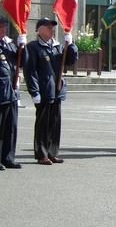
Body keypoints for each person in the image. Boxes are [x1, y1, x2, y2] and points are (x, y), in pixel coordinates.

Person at [24, 17, 78, 165]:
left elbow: (70, 61)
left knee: (55, 123)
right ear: (39, 30)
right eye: (48, 27)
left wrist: (71, 44)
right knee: (43, 124)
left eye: (52, 27)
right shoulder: (33, 47)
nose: (52, 30)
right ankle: (41, 154)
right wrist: (34, 91)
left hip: (57, 90)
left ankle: (52, 152)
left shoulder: (58, 46)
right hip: (44, 91)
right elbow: (30, 72)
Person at [0, 15, 27, 169]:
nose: (4, 29)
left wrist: (22, 48)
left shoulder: (8, 45)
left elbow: (21, 63)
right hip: (1, 93)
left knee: (10, 127)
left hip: (10, 93)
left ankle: (8, 157)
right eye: (1, 27)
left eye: (4, 27)